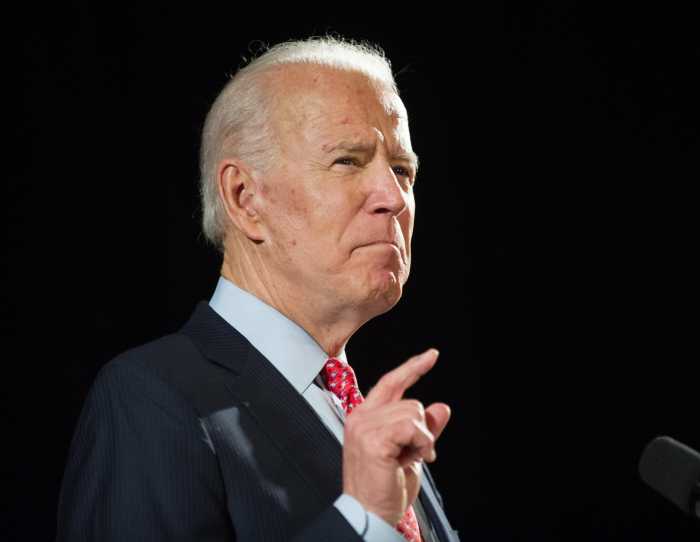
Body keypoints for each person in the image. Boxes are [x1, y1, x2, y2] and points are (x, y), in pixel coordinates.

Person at [56, 36, 460, 542]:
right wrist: (365, 520)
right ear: (245, 198)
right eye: (348, 161)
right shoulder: (151, 397)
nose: (394, 197)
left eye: (402, 169)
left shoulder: (367, 416)